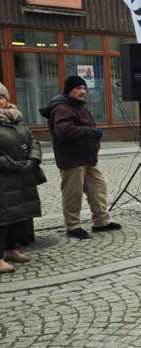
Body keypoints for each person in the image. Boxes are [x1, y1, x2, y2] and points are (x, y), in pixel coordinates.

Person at [39, 75, 120, 240]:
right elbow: (64, 131)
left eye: (84, 88)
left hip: (88, 157)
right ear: (69, 90)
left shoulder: (80, 107)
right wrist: (92, 132)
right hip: (72, 159)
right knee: (73, 194)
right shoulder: (62, 109)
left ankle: (101, 222)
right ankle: (73, 225)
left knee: (98, 189)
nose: (82, 91)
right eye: (78, 88)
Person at [0, 84, 42, 273]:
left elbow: (33, 141)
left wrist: (33, 160)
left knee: (18, 213)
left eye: (1, 96)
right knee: (3, 217)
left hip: (21, 176)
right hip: (4, 177)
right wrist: (14, 165)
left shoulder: (16, 119)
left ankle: (10, 249)